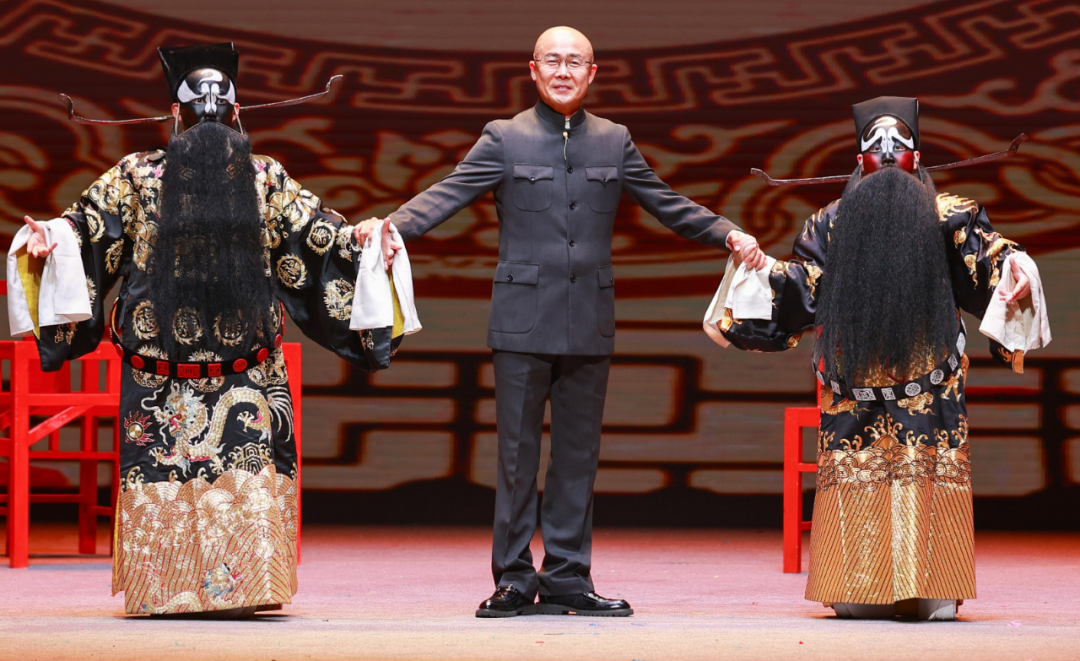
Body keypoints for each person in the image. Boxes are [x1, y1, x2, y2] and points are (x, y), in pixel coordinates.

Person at [355, 26, 766, 618]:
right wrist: (391, 225)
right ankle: (514, 579)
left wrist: (728, 233)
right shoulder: (505, 137)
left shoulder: (614, 140)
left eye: (576, 62)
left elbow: (665, 201)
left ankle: (569, 576)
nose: (564, 71)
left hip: (589, 319)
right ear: (533, 69)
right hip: (521, 321)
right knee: (516, 457)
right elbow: (449, 192)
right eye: (553, 60)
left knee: (578, 456)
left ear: (593, 73)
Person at [14, 42, 411, 617]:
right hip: (162, 377)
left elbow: (319, 239)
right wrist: (53, 236)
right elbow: (87, 227)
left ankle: (230, 591)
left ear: (191, 113)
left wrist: (363, 239)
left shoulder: (246, 177)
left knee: (236, 476)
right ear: (222, 112)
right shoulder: (152, 176)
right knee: (166, 477)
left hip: (240, 375)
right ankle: (181, 592)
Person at [707, 97, 1049, 620]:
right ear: (859, 158)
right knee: (855, 476)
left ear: (917, 155)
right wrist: (756, 269)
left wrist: (1015, 265)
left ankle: (932, 588)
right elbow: (803, 286)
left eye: (899, 145)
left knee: (926, 475)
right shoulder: (829, 222)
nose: (888, 155)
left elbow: (989, 256)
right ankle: (855, 587)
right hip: (853, 383)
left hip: (929, 381)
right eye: (876, 146)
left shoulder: (950, 214)